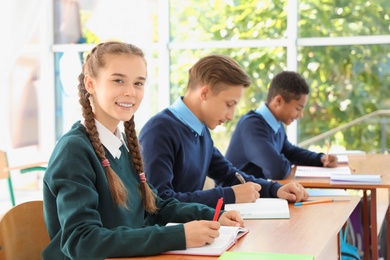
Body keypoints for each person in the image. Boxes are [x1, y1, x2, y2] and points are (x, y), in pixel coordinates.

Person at [42, 42, 245, 260]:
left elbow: (155, 206)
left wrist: (214, 216)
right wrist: (179, 235)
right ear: (90, 84)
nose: (130, 92)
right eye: (118, 80)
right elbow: (82, 241)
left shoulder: (120, 146)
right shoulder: (74, 151)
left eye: (138, 83)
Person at [138, 54, 309, 209]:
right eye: (229, 104)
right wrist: (230, 195)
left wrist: (276, 189)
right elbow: (160, 202)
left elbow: (230, 176)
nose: (231, 116)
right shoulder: (159, 131)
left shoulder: (201, 130)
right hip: (174, 238)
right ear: (204, 93)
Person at [225, 71, 338, 180]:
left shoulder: (276, 124)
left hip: (256, 194)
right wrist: (284, 162)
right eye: (298, 108)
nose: (300, 115)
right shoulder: (251, 126)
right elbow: (276, 170)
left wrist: (320, 159)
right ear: (278, 101)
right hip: (237, 197)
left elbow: (290, 152)